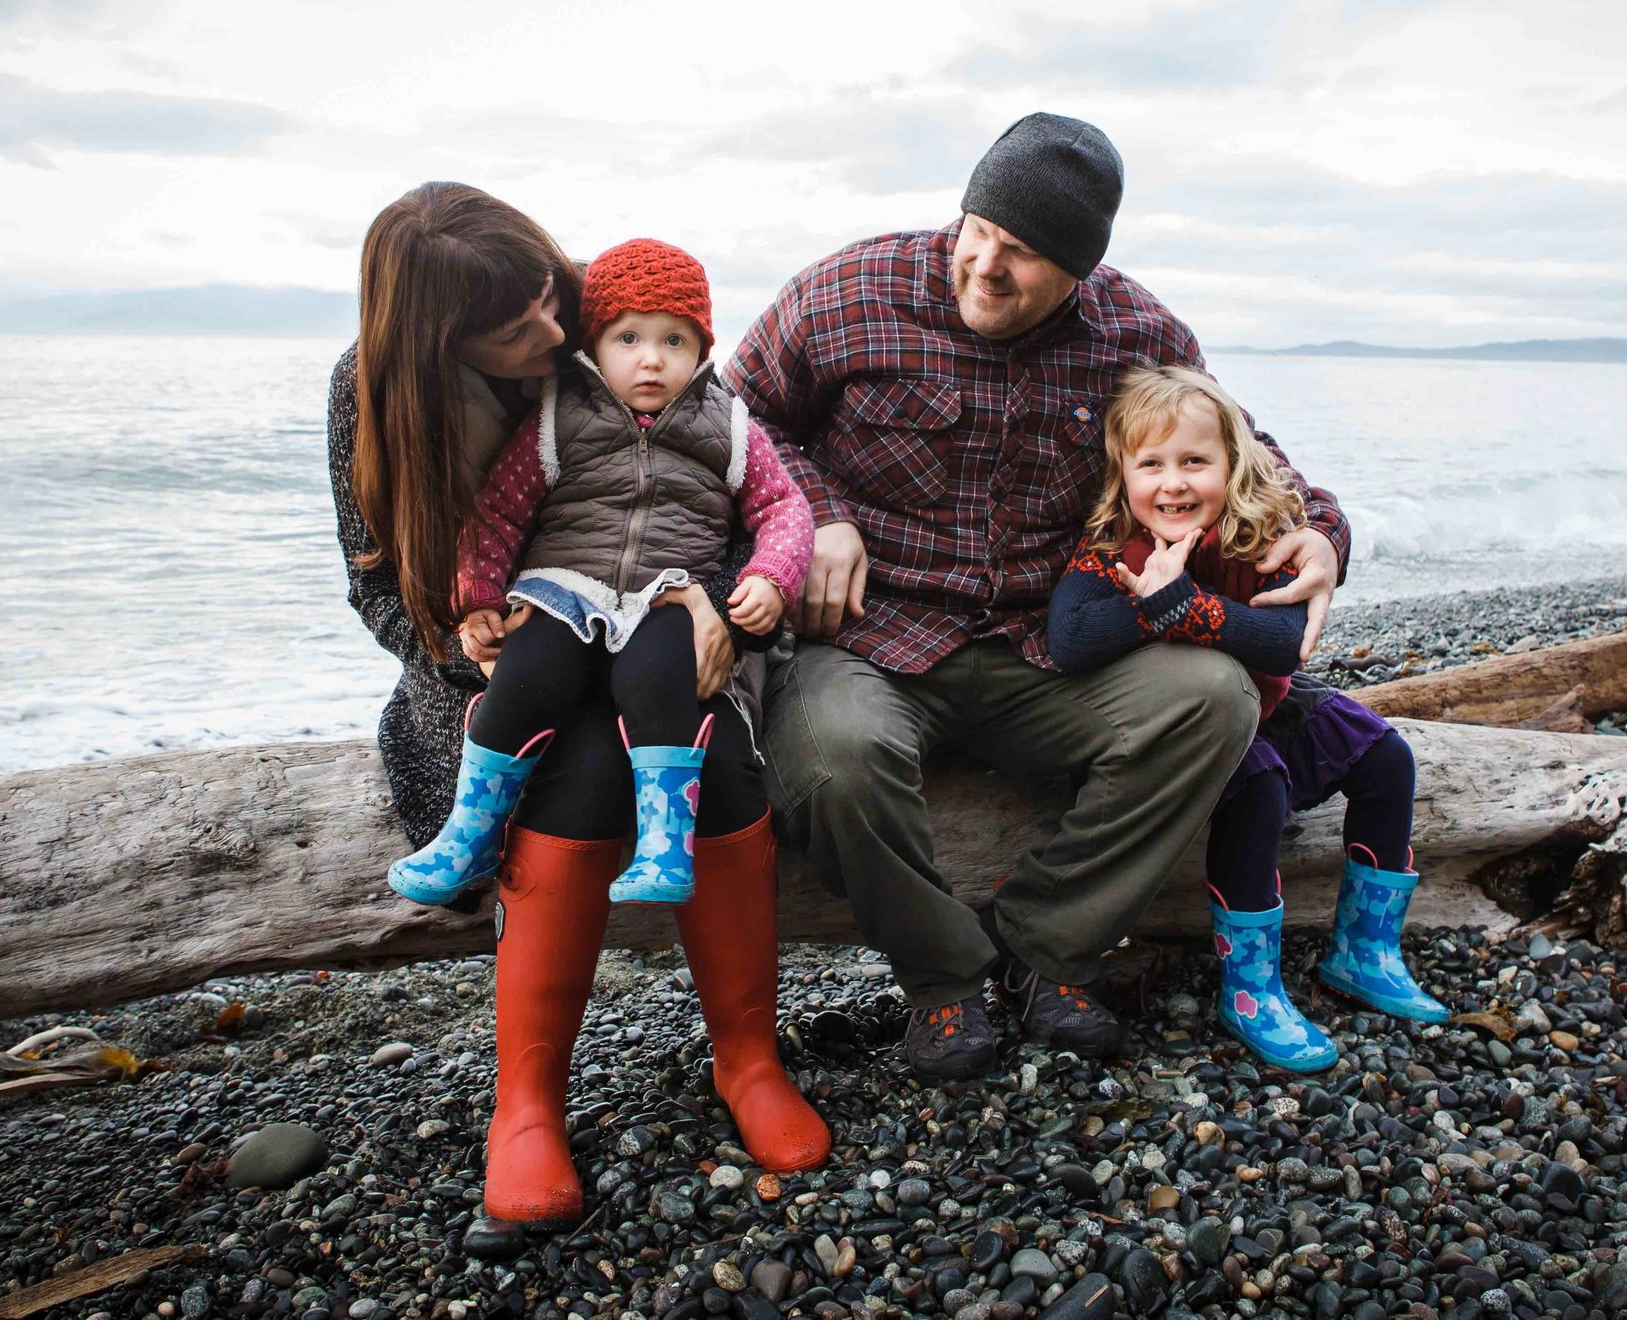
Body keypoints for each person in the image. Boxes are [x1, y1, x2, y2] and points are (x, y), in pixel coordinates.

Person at [726, 113, 1352, 1082]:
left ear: (1080, 269)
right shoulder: (846, 290)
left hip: (1047, 646)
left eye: (1019, 254)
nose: (982, 265)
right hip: (867, 635)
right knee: (832, 759)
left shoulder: (1134, 330)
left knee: (1213, 699)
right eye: (976, 230)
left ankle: (1047, 946)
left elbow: (1239, 443)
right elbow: (734, 418)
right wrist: (819, 511)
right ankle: (941, 980)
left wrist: (1318, 527)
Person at [328, 185, 826, 1228]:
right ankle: (527, 1104)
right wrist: (493, 645)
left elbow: (743, 481)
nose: (554, 335)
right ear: (440, 341)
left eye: (555, 305)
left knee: (716, 752)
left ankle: (747, 1059)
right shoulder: (369, 399)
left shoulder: (617, 331)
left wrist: (732, 613)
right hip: (504, 663)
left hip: (666, 626)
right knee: (581, 770)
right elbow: (378, 589)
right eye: (520, 329)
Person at [390, 238, 815, 909]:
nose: (651, 357)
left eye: (675, 339)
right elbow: (498, 512)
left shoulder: (729, 424)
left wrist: (771, 577)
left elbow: (784, 506)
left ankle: (664, 847)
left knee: (659, 676)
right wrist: (475, 600)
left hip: (666, 595)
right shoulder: (560, 415)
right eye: (629, 337)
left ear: (703, 349)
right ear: (596, 345)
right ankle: (467, 834)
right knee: (526, 672)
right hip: (566, 588)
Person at [1045, 364, 1447, 1073]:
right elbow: (1071, 639)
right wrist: (1146, 604)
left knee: (1388, 756)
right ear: (1122, 473)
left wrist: (1185, 607)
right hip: (1188, 732)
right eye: (1152, 464)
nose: (1173, 483)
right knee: (1257, 786)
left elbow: (1285, 639)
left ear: (1231, 463)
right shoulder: (1113, 547)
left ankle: (1365, 950)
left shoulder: (1256, 534)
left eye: (1195, 461)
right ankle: (1251, 986)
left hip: (1266, 695)